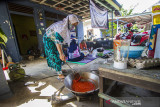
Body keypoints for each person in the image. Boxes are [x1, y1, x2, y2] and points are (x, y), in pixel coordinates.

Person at [43, 14, 79, 80]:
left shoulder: (65, 27)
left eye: (75, 26)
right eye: (73, 25)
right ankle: (59, 74)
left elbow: (59, 41)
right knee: (55, 55)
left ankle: (60, 69)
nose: (73, 27)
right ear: (69, 22)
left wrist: (62, 53)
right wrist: (61, 54)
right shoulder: (61, 28)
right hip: (48, 40)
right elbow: (57, 41)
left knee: (61, 54)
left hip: (55, 40)